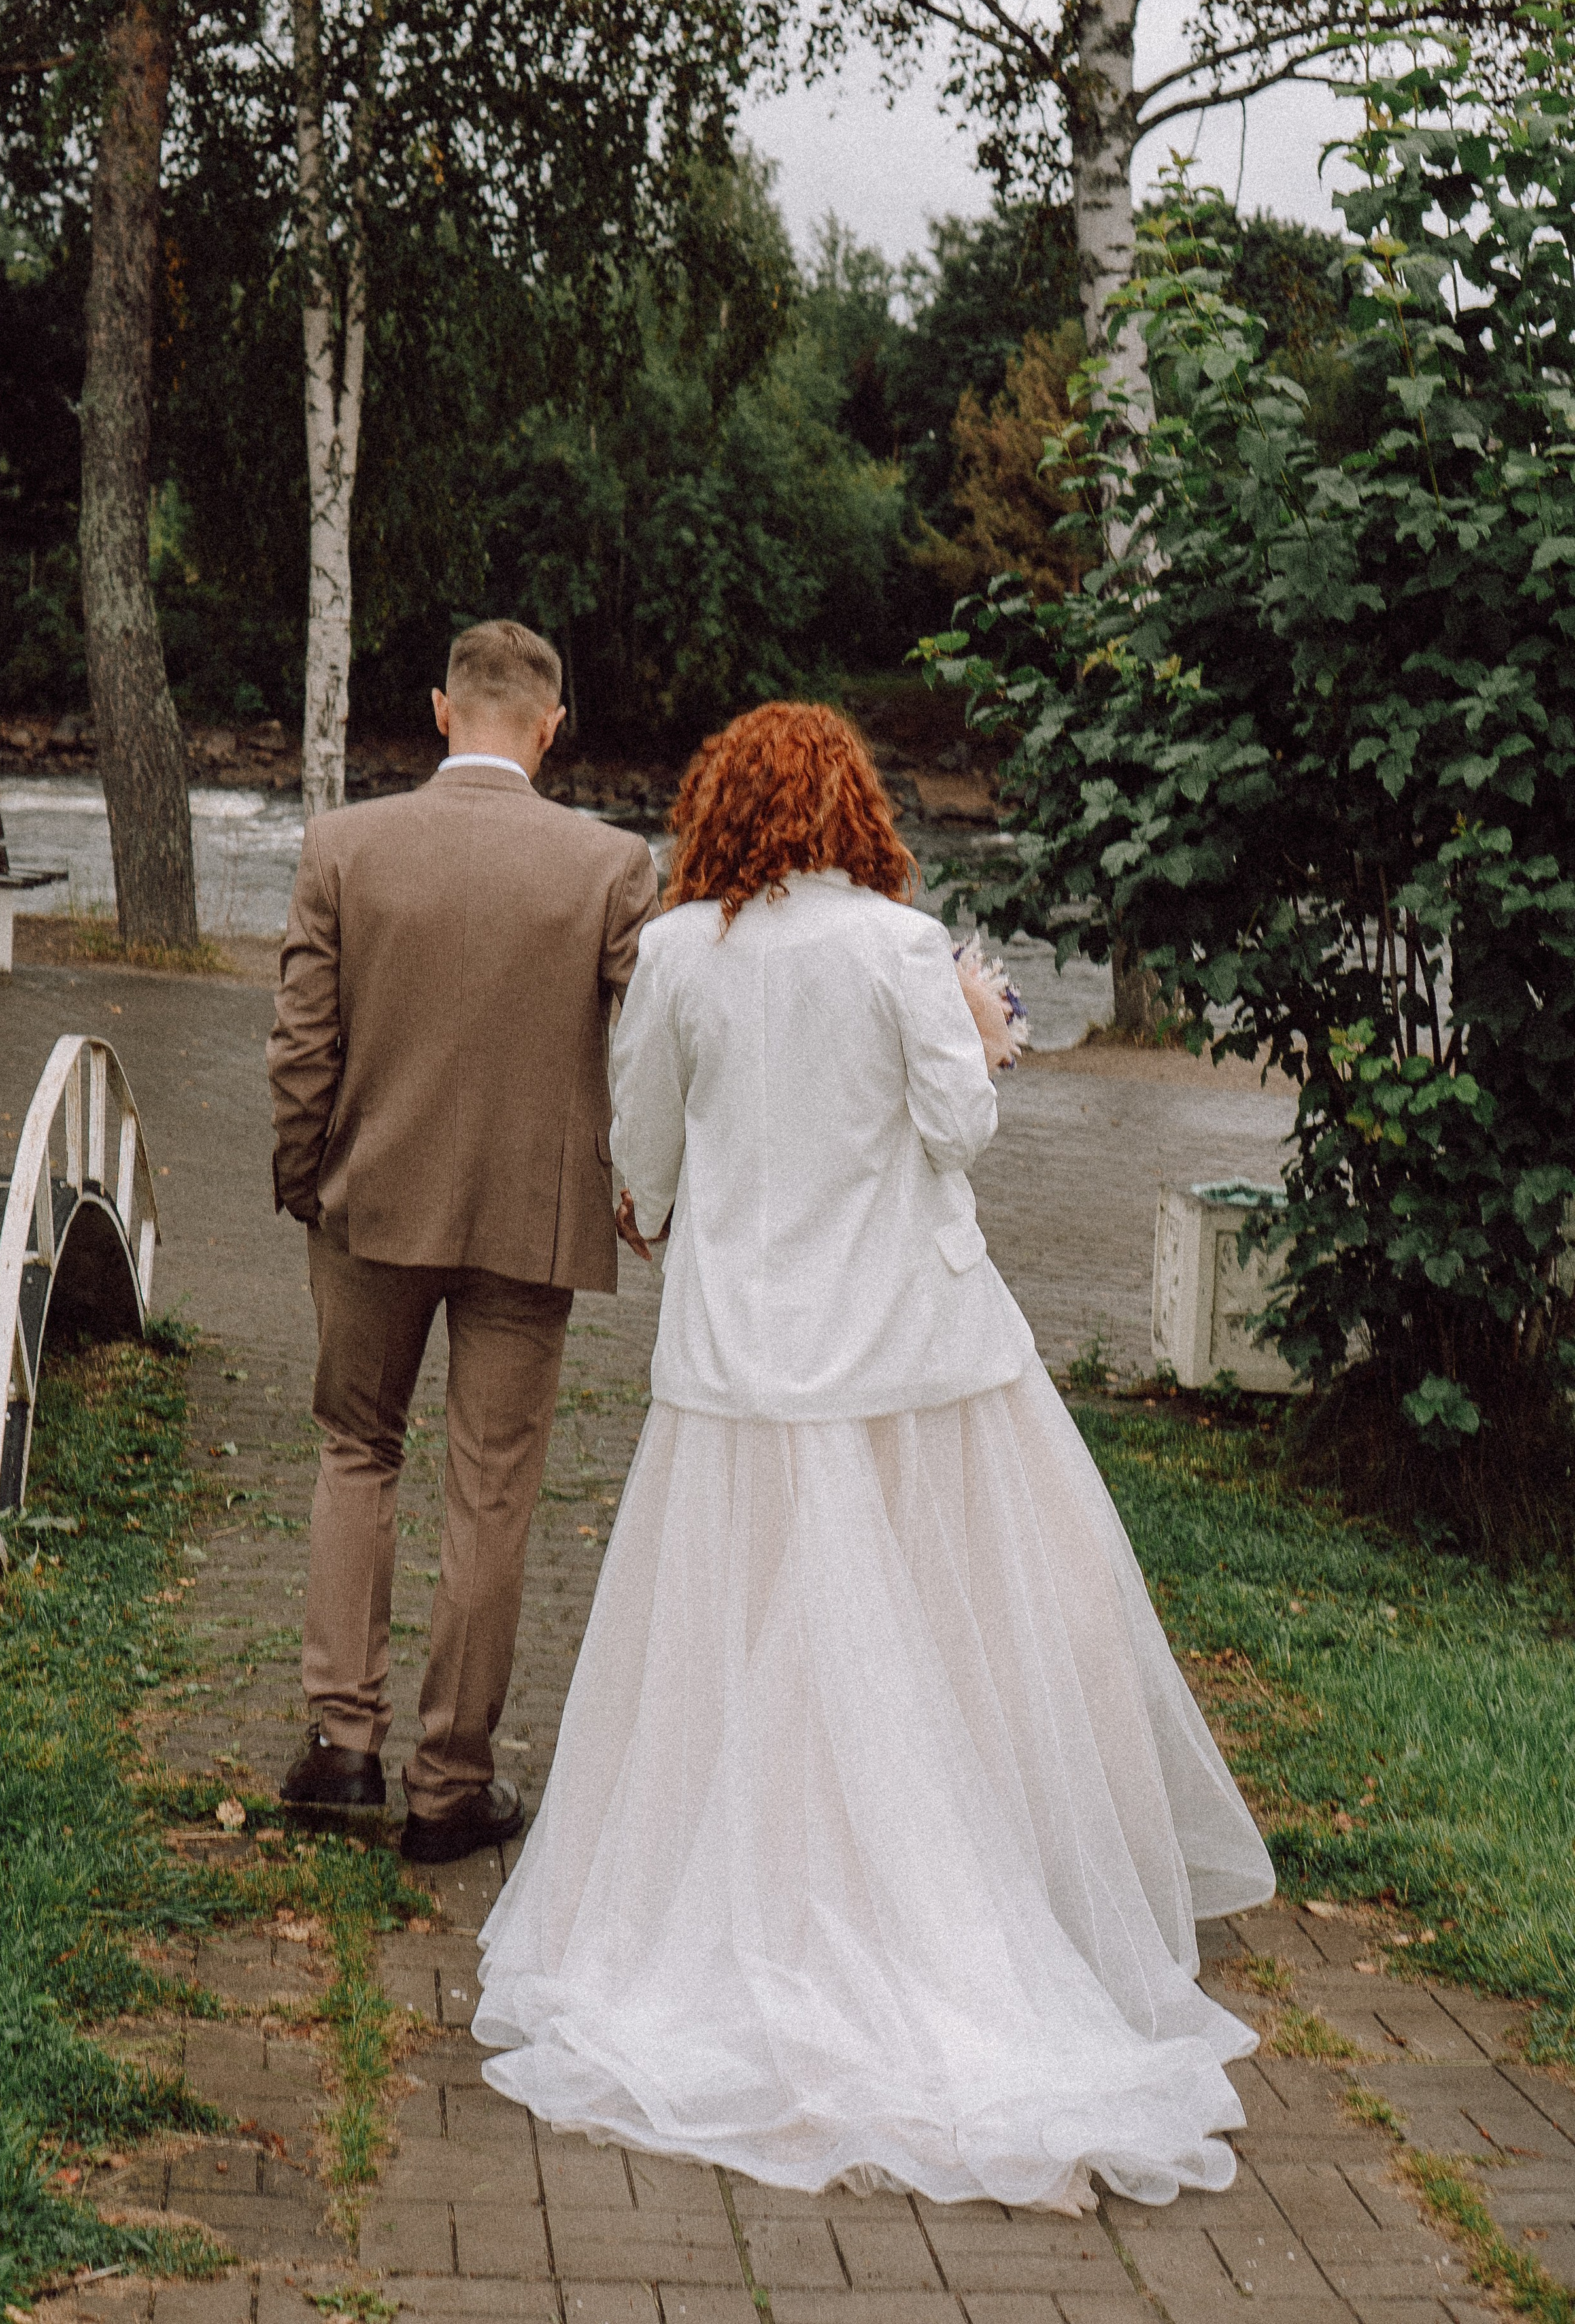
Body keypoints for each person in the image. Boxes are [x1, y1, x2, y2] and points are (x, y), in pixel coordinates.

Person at [472, 701, 1276, 2209]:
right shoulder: (901, 949)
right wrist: (976, 1029)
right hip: (906, 1349)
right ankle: (946, 1875)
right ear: (855, 811)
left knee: (742, 1618)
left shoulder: (680, 954)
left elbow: (640, 1140)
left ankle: (748, 1884)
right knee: (930, 1612)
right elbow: (956, 1133)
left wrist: (655, 1202)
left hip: (741, 1357)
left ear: (717, 807)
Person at [266, 619, 658, 1864]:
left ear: (441, 711)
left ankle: (343, 1745)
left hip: (369, 1202)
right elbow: (649, 1056)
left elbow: (301, 1045)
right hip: (528, 1224)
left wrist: (302, 1176)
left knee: (356, 1451)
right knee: (491, 1492)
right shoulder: (613, 866)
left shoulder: (347, 846)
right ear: (551, 727)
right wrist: (638, 1187)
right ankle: (452, 1782)